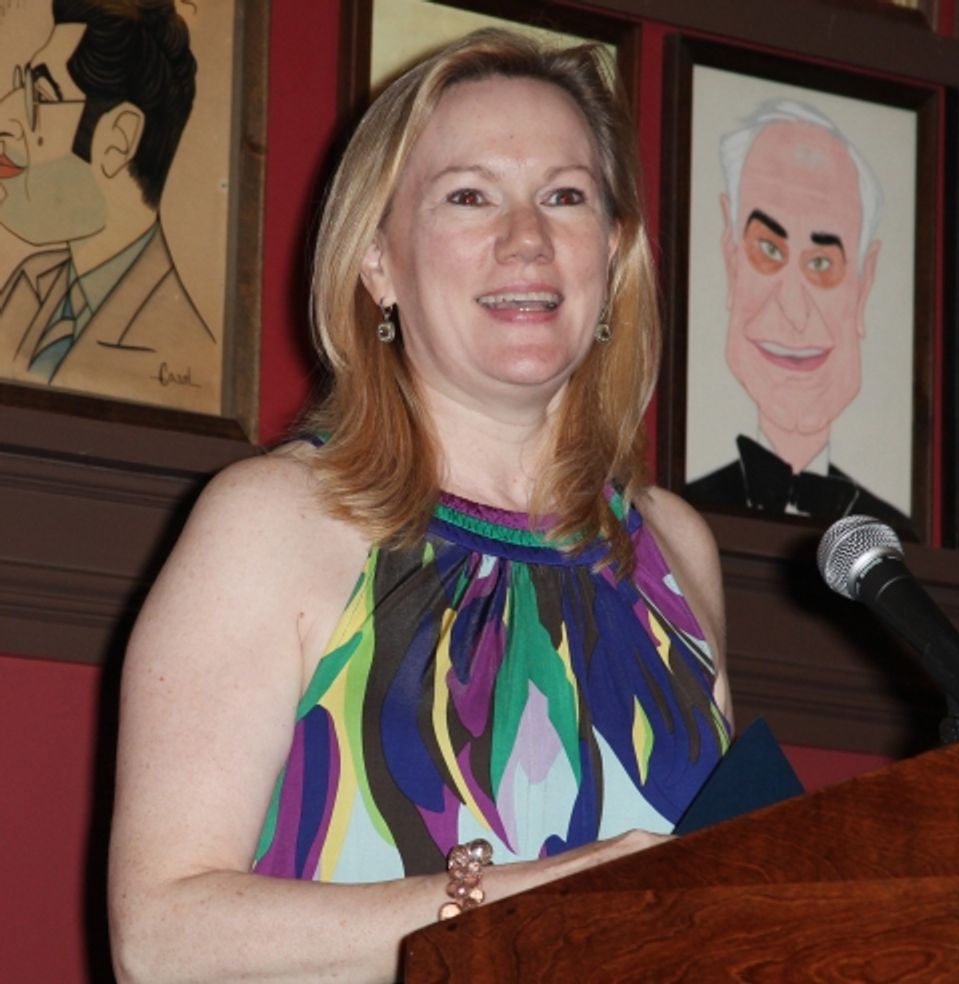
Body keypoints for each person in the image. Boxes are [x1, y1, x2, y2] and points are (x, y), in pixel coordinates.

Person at [107, 28, 732, 982]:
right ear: (377, 264)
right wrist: (524, 900)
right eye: (469, 196)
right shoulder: (271, 524)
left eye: (565, 196)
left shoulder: (672, 548)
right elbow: (160, 939)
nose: (527, 238)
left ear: (613, 255)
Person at [685, 99, 911, 534]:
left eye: (822, 263)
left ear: (864, 285)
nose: (793, 306)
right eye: (769, 250)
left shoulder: (897, 541)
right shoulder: (673, 520)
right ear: (731, 259)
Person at [0, 0, 217, 413]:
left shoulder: (176, 342)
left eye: (40, 95)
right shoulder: (27, 284)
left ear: (118, 138)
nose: (5, 116)